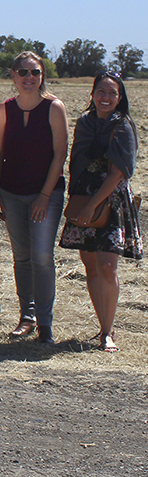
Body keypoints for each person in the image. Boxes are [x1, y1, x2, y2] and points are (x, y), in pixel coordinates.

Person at [59, 71, 142, 352]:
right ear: (93, 94)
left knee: (107, 266)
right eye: (101, 92)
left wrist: (94, 205)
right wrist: (80, 203)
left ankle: (108, 332)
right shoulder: (84, 123)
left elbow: (118, 172)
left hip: (110, 200)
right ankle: (102, 324)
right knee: (91, 266)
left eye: (112, 93)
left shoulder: (123, 126)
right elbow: (76, 161)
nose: (106, 97)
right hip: (84, 198)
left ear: (120, 98)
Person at [0, 51, 68, 344]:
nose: (29, 78)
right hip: (11, 193)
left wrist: (45, 195)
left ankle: (45, 324)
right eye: (22, 72)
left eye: (35, 73)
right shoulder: (4, 109)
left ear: (42, 77)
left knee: (42, 256)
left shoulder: (54, 108)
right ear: (13, 76)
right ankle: (27, 316)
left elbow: (60, 153)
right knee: (21, 257)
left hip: (45, 194)